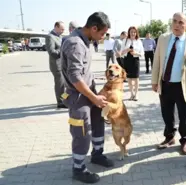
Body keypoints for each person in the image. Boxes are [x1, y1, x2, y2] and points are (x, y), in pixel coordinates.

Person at [60, 12, 114, 184]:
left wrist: (96, 94)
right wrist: (94, 97)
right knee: (82, 133)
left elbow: (84, 72)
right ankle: (78, 168)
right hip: (78, 97)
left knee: (98, 122)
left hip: (89, 93)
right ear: (93, 28)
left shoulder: (85, 41)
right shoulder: (75, 43)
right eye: (102, 34)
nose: (103, 37)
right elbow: (75, 77)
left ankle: (97, 154)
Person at [151, 12, 186, 155]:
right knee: (167, 114)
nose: (177, 25)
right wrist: (154, 80)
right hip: (165, 83)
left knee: (184, 115)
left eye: (181, 22)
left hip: (182, 86)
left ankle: (185, 140)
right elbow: (156, 60)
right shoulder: (163, 39)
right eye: (175, 21)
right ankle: (169, 137)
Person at [46, 21, 66, 109]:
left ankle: (64, 99)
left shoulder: (60, 37)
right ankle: (60, 102)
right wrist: (62, 51)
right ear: (56, 27)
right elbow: (51, 52)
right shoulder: (50, 37)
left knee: (64, 84)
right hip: (56, 65)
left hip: (62, 64)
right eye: (61, 29)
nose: (63, 31)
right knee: (60, 84)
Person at [121, 26, 144, 101]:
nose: (133, 33)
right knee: (129, 78)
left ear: (136, 33)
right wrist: (127, 50)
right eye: (131, 32)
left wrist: (135, 53)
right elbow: (121, 52)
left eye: (134, 32)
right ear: (129, 32)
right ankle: (131, 94)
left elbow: (142, 53)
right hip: (127, 60)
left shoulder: (139, 41)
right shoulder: (125, 40)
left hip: (135, 60)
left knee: (136, 78)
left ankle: (136, 94)